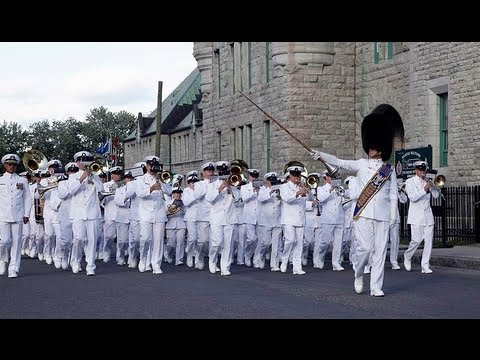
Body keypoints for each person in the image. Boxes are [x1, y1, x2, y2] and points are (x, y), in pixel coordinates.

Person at [311, 103, 401, 296]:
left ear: (382, 148)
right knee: (366, 249)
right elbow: (340, 162)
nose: (371, 148)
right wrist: (321, 156)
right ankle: (359, 273)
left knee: (380, 252)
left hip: (383, 216)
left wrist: (393, 216)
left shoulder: (388, 170)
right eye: (370, 145)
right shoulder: (361, 165)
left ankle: (376, 286)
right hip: (363, 212)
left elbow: (393, 195)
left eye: (374, 145)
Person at [67, 151, 104, 275]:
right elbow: (71, 191)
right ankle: (75, 261)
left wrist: (92, 176)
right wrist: (82, 177)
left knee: (92, 240)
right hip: (77, 213)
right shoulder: (72, 177)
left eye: (87, 160)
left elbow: (101, 190)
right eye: (82, 160)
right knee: (79, 238)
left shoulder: (95, 176)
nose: (85, 163)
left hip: (92, 212)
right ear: (77, 162)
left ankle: (90, 266)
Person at [135, 155, 172, 274]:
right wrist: (150, 188)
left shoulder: (161, 178)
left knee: (158, 240)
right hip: (145, 213)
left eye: (155, 166)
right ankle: (143, 259)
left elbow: (169, 191)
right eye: (151, 165)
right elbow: (139, 194)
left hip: (159, 213)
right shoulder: (140, 179)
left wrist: (161, 182)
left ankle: (156, 264)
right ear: (147, 166)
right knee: (145, 239)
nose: (153, 168)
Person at [403, 160, 440, 273]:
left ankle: (425, 265)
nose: (422, 172)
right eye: (420, 170)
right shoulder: (410, 182)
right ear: (416, 171)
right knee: (416, 241)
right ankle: (407, 256)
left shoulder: (428, 181)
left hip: (428, 216)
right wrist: (424, 189)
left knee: (429, 241)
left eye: (424, 170)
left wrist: (433, 186)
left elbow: (436, 196)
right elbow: (413, 198)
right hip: (416, 216)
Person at [0, 154, 31, 278]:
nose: (11, 166)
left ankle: (13, 268)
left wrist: (26, 214)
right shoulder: (0, 180)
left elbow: (27, 198)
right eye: (9, 164)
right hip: (3, 214)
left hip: (18, 214)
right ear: (5, 165)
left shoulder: (22, 180)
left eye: (14, 164)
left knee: (17, 243)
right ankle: (2, 260)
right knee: (4, 241)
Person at [279, 165, 309, 274]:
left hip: (300, 218)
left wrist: (305, 189)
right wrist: (298, 193)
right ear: (290, 176)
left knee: (299, 243)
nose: (297, 177)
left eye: (298, 175)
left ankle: (297, 267)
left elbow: (308, 200)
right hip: (288, 218)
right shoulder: (284, 187)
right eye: (295, 175)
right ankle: (284, 259)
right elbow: (287, 199)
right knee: (290, 240)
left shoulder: (302, 186)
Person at [314, 170, 345, 271]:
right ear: (325, 178)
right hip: (328, 218)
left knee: (338, 242)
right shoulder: (321, 189)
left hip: (340, 218)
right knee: (325, 242)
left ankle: (335, 263)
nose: (333, 178)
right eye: (331, 176)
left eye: (334, 176)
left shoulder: (340, 188)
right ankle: (320, 257)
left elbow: (346, 197)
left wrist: (341, 191)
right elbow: (321, 199)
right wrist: (331, 190)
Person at [389, 179, 408, 270]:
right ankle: (371, 263)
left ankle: (394, 261)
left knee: (395, 241)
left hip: (395, 217)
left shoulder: (394, 185)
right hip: (383, 217)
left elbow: (404, 200)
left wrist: (399, 191)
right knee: (379, 241)